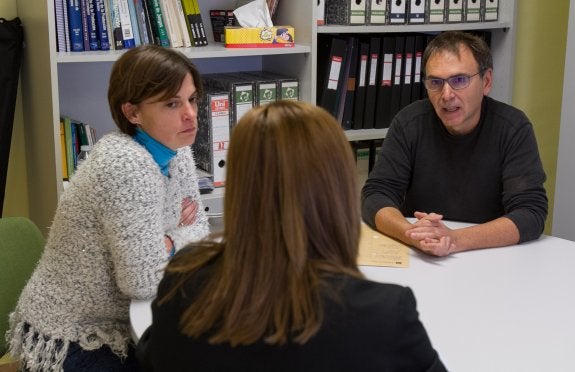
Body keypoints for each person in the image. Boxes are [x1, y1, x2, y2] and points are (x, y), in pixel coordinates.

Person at [136, 101, 447, 372]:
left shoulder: (182, 280)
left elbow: (157, 357)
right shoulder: (384, 314)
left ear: (240, 186)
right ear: (337, 189)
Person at [7, 45, 209, 371]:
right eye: (172, 103)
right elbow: (143, 280)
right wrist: (176, 237)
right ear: (132, 113)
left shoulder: (178, 151)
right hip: (73, 335)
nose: (190, 114)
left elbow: (201, 230)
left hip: (130, 321)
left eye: (192, 99)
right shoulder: (125, 163)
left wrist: (167, 242)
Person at [362, 31, 548, 257]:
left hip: (488, 255)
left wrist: (455, 239)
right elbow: (376, 194)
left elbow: (530, 212)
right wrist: (411, 233)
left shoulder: (512, 128)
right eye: (435, 82)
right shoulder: (409, 122)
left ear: (486, 81)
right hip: (422, 255)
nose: (446, 94)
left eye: (459, 80)